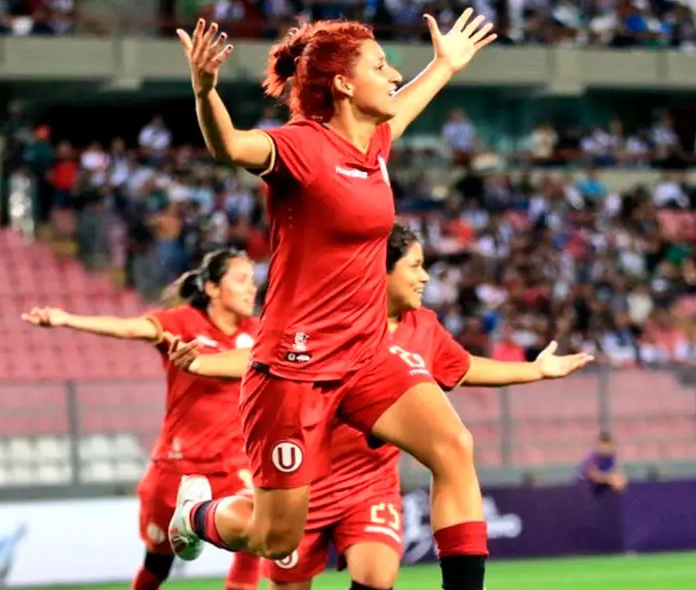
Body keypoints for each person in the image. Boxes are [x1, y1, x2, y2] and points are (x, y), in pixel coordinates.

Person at [170, 12, 500, 590]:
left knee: (453, 447)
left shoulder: (373, 144)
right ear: (344, 84)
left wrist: (445, 64)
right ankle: (197, 513)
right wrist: (205, 90)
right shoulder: (302, 147)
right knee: (273, 538)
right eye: (380, 65)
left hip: (366, 355)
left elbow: (405, 104)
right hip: (296, 368)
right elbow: (230, 147)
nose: (394, 73)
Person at [169, 225, 595, 589]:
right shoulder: (334, 325)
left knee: (377, 575)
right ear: (380, 271)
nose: (425, 278)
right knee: (273, 541)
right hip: (306, 484)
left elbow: (464, 368)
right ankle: (195, 513)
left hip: (368, 486)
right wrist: (205, 363)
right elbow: (268, 357)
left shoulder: (423, 327)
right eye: (415, 266)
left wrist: (535, 370)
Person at [20, 249, 263, 590]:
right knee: (157, 566)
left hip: (231, 465)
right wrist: (66, 319)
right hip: (177, 470)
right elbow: (128, 328)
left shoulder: (260, 333)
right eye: (240, 280)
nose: (251, 289)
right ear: (211, 288)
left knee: (255, 537)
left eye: (252, 281)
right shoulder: (182, 324)